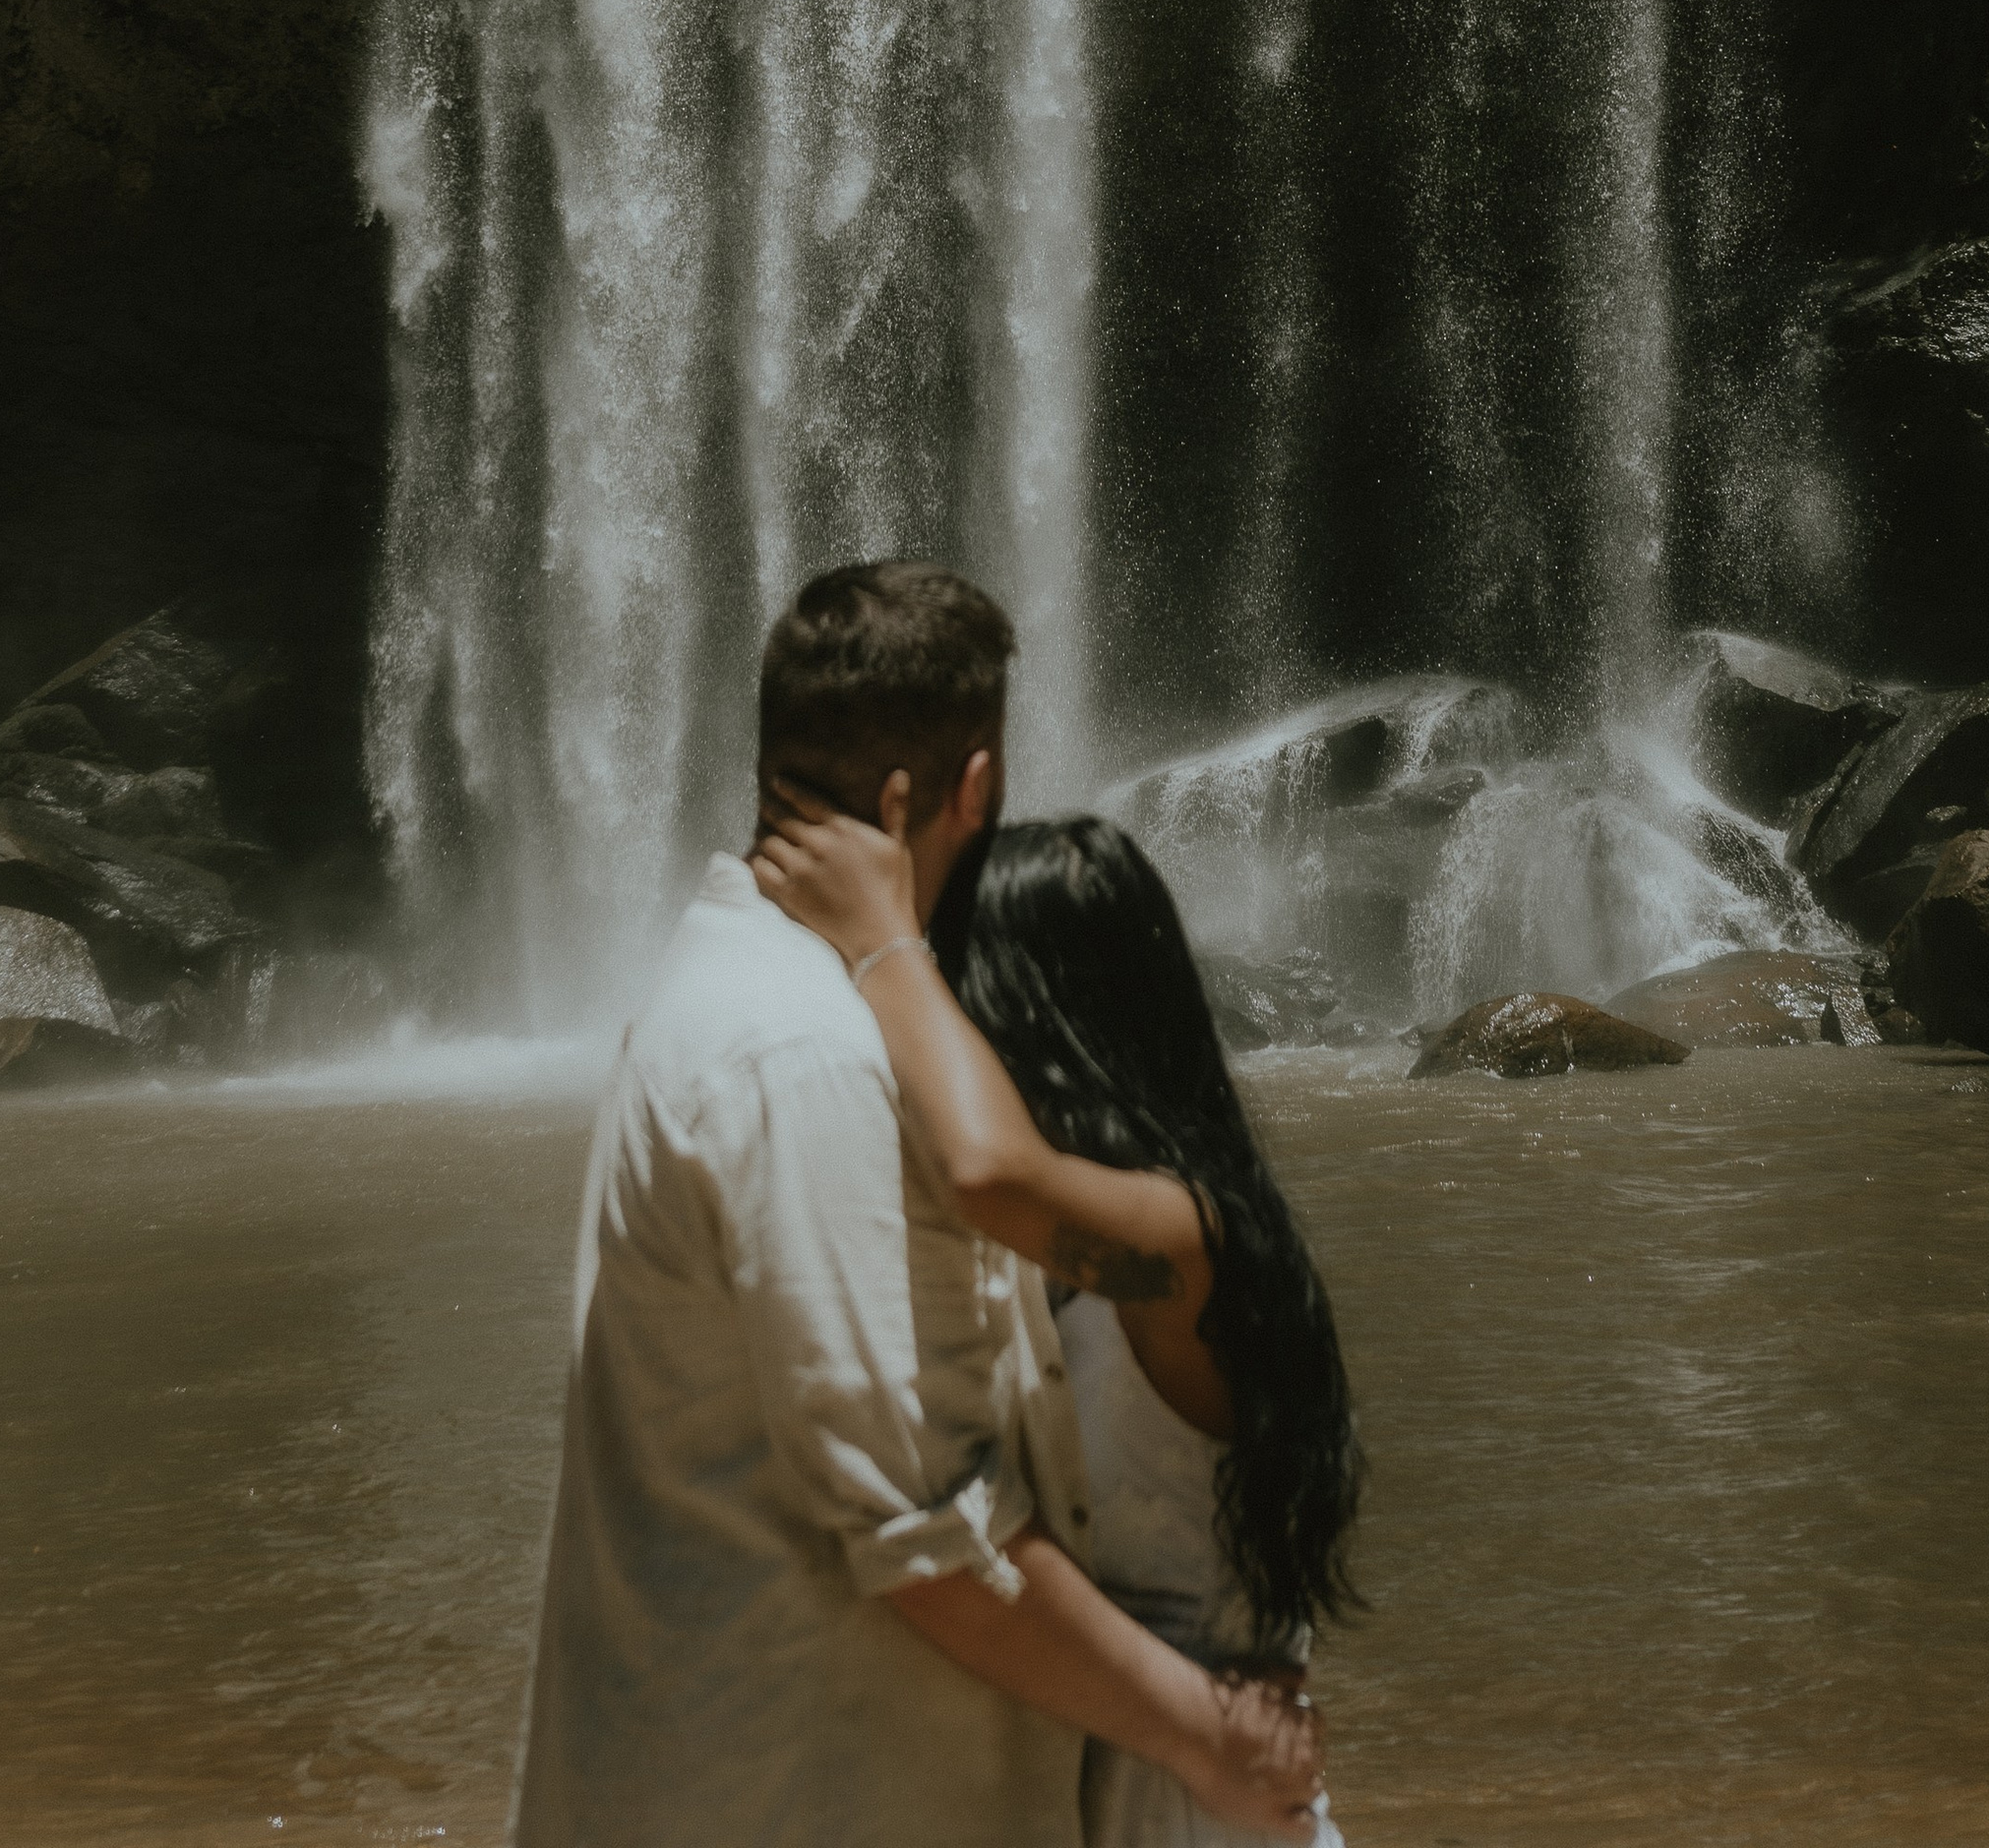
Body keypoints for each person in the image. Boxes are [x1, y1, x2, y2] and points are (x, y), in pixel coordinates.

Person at [512, 560, 1327, 1848]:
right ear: (974, 785)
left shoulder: (727, 991)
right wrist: (1209, 1736)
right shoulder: (813, 1054)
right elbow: (929, 1535)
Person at [753, 787, 1361, 1847]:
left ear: (1031, 1015)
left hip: (1199, 1800)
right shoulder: (1103, 1251)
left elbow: (989, 1172)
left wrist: (882, 943)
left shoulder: (1187, 1238)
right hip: (1155, 1775)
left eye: (966, 990)